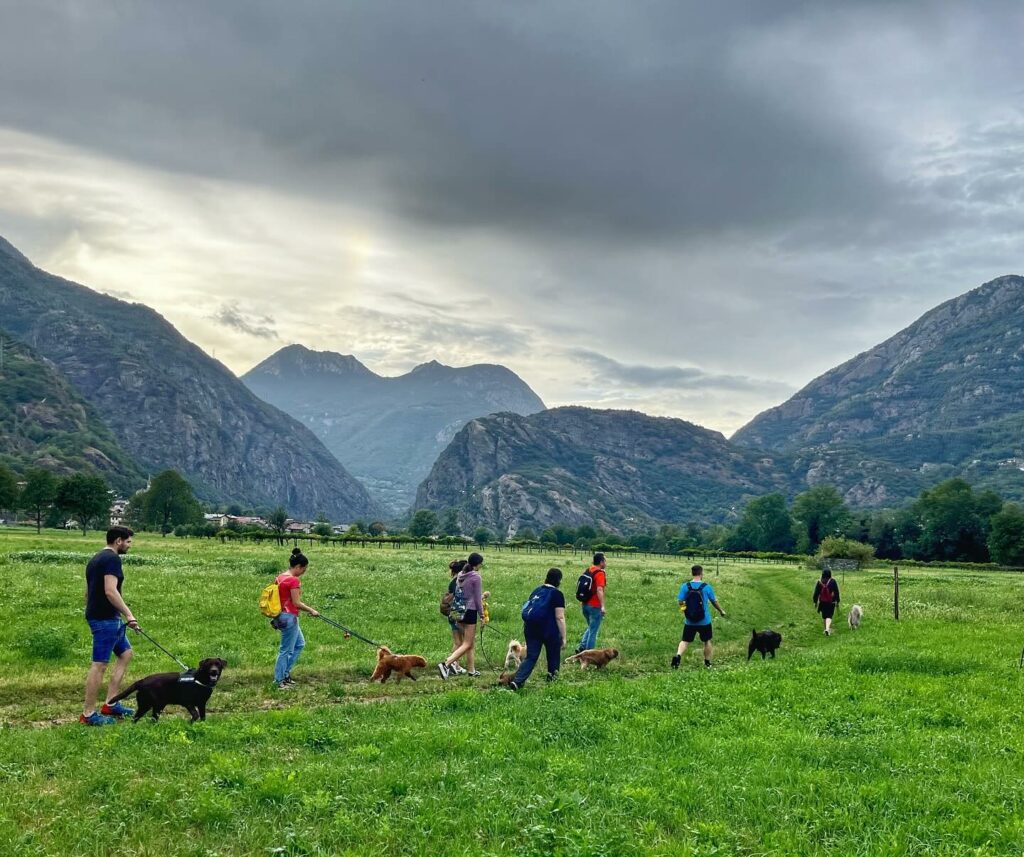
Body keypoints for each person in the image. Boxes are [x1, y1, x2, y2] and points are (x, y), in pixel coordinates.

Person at [81, 526, 140, 725]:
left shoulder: (96, 558)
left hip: (106, 617)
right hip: (105, 619)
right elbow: (110, 591)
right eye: (128, 541)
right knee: (99, 664)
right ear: (118, 541)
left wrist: (93, 610)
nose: (129, 545)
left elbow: (88, 592)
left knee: (126, 654)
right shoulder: (112, 559)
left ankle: (111, 704)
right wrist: (129, 615)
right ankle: (88, 715)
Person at [508, 567, 567, 690]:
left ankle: (517, 681)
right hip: (549, 630)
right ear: (559, 580)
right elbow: (560, 617)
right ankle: (552, 681)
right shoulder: (557, 594)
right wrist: (564, 636)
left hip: (531, 628)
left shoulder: (536, 590)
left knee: (531, 657)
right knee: (553, 656)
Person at [273, 548, 320, 690]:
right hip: (289, 617)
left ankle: (285, 674)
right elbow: (296, 603)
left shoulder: (280, 577)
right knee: (285, 650)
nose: (303, 572)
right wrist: (312, 610)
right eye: (304, 569)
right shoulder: (293, 580)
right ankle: (279, 680)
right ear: (298, 566)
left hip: (280, 615)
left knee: (300, 644)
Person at [439, 552, 485, 679]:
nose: (481, 566)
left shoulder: (460, 574)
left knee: (466, 643)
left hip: (457, 610)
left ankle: (471, 670)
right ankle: (446, 663)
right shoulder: (476, 577)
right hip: (469, 611)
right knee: (467, 643)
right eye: (481, 564)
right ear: (478, 564)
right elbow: (476, 599)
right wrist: (482, 615)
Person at [672, 565, 726, 670]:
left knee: (685, 641)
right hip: (704, 621)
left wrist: (685, 611)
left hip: (689, 621)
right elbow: (714, 601)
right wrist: (721, 611)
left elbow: (680, 601)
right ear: (701, 574)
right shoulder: (706, 587)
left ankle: (678, 656)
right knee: (707, 641)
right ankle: (707, 663)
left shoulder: (685, 586)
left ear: (692, 573)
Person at [576, 552, 607, 653]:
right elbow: (599, 589)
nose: (606, 563)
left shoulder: (589, 570)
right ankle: (589, 654)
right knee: (593, 631)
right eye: (605, 561)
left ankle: (582, 647)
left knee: (591, 627)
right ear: (601, 562)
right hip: (595, 606)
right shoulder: (600, 573)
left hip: (585, 604)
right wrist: (602, 606)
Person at [444, 559, 469, 676]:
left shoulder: (453, 581)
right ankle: (452, 664)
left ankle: (456, 665)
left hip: (451, 613)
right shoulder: (460, 581)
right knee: (465, 642)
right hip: (458, 612)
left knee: (458, 642)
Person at [813, 568, 841, 636]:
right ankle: (827, 629)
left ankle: (825, 629)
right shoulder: (833, 581)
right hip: (831, 602)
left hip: (822, 602)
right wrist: (838, 600)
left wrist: (815, 601)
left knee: (824, 616)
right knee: (829, 616)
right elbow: (836, 592)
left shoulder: (819, 582)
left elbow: (816, 593)